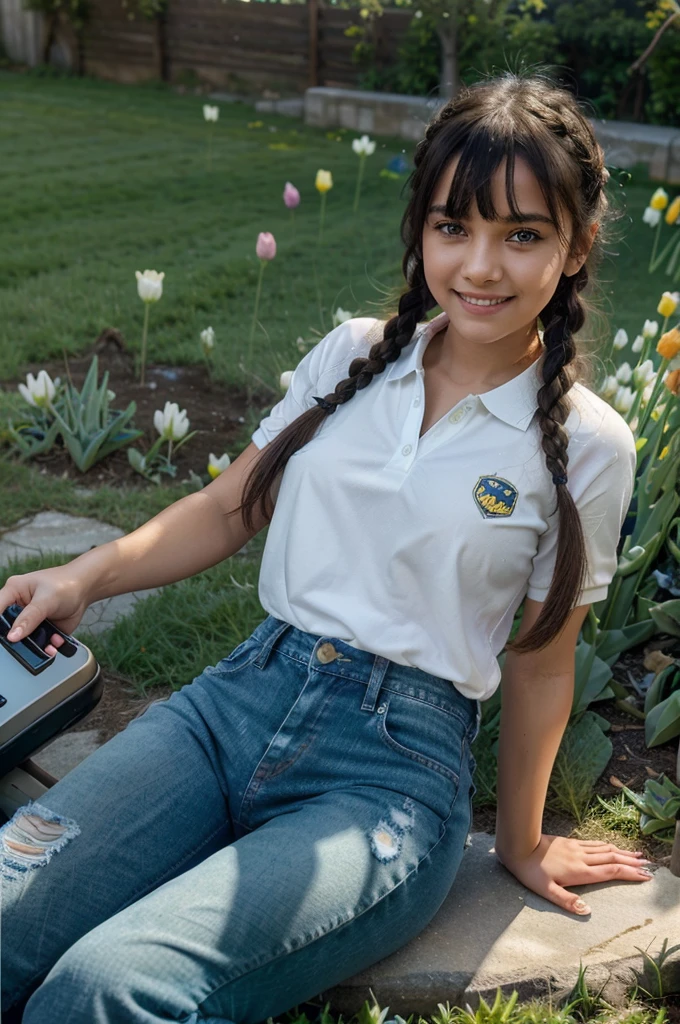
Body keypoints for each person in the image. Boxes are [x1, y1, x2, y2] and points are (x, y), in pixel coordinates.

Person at [0, 70, 652, 1024]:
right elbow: (230, 508)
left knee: (109, 990)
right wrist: (83, 574)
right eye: (452, 226)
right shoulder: (353, 356)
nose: (480, 265)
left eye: (522, 235)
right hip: (233, 704)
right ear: (421, 229)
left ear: (577, 244)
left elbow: (546, 656)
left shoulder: (590, 445)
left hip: (389, 775)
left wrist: (519, 837)